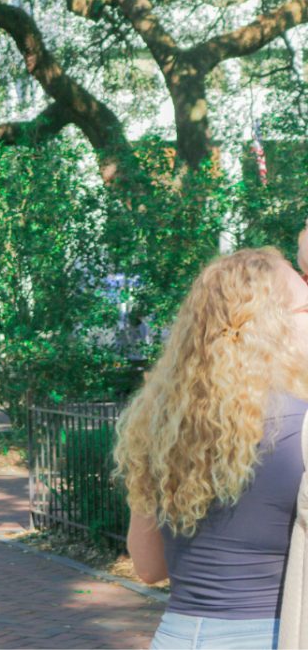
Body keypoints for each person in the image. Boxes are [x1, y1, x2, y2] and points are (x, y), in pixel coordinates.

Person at [114, 245, 308, 649]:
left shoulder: (161, 425)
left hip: (177, 636)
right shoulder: (301, 428)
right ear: (272, 326)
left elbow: (148, 567)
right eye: (306, 309)